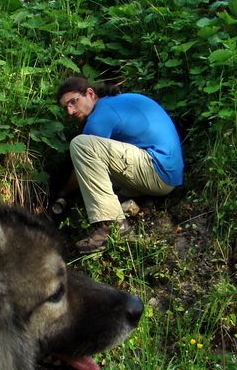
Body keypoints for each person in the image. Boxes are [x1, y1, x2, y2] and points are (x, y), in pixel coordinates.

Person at [52, 77, 184, 253]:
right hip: (165, 174)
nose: (70, 111)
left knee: (81, 145)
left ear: (90, 93)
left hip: (157, 170)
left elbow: (82, 166)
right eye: (66, 107)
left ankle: (113, 225)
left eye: (73, 102)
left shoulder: (101, 114)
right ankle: (129, 203)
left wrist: (64, 192)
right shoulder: (116, 103)